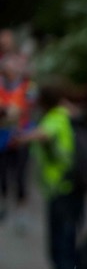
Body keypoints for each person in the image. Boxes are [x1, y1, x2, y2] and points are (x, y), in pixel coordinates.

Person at [16, 83, 82, 269]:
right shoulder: (67, 115)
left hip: (61, 191)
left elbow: (44, 134)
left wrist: (18, 138)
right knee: (67, 250)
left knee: (61, 252)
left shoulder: (55, 118)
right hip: (70, 190)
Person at [0, 52, 35, 225]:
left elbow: (30, 106)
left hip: (21, 135)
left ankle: (21, 209)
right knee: (2, 173)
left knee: (21, 174)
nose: (14, 68)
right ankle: (3, 203)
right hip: (2, 135)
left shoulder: (28, 87)